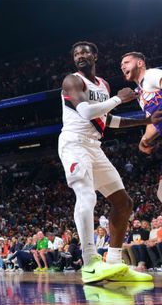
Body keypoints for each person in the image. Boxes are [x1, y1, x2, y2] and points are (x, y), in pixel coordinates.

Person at [58, 41, 161, 283]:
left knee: (123, 202)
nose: (80, 56)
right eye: (76, 53)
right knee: (86, 196)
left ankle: (114, 263)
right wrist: (118, 99)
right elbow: (85, 113)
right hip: (74, 143)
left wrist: (145, 121)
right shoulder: (71, 81)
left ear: (95, 55)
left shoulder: (103, 84)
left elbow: (108, 120)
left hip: (94, 146)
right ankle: (91, 263)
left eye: (85, 52)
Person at [120, 52, 162, 170]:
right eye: (121, 65)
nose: (123, 67)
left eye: (126, 62)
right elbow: (154, 120)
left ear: (140, 63)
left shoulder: (151, 74)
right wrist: (144, 140)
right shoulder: (138, 92)